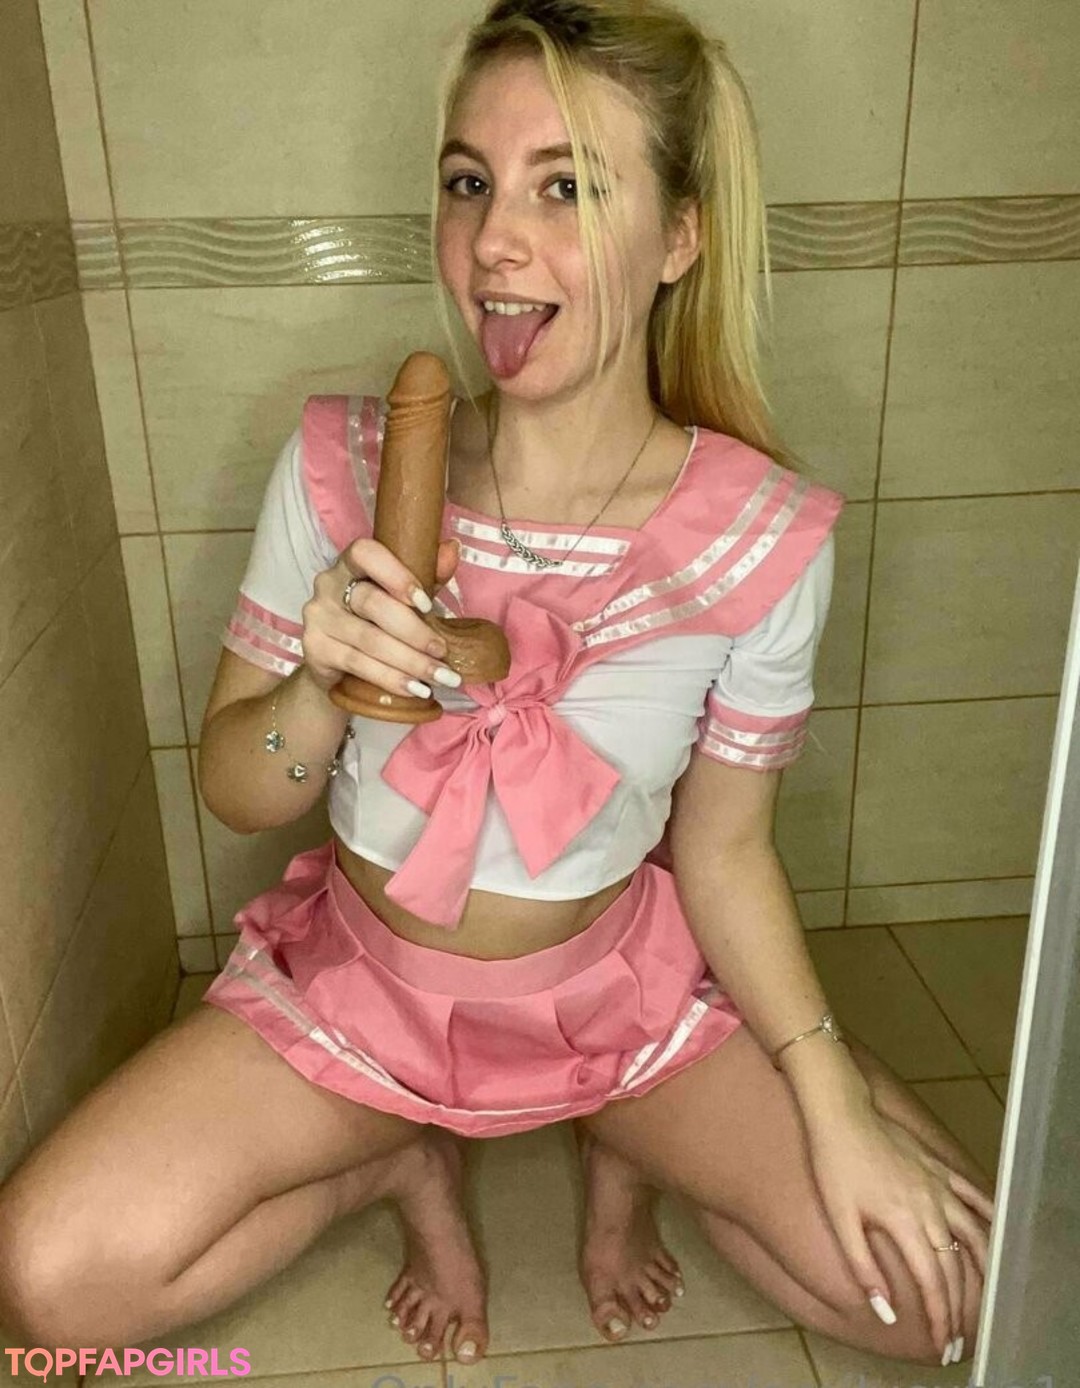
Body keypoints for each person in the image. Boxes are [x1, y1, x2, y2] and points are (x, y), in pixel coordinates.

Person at [0, 0, 996, 1372]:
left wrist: (831, 1104)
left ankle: (628, 1149)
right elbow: (236, 791)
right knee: (51, 1288)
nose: (494, 243)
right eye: (470, 183)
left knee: (945, 1298)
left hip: (620, 1003)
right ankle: (395, 1164)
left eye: (566, 187)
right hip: (367, 997)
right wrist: (319, 684)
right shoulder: (345, 468)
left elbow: (725, 853)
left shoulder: (759, 538)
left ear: (680, 236)